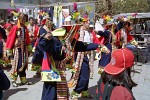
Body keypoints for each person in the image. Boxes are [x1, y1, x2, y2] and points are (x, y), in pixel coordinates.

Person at [6, 13, 32, 87]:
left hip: (24, 49)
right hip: (18, 49)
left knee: (24, 64)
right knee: (17, 64)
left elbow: (27, 38)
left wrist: (29, 48)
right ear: (19, 19)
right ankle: (13, 80)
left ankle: (23, 80)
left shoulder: (25, 27)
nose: (24, 20)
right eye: (23, 18)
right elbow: (11, 38)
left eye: (25, 19)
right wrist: (9, 50)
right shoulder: (15, 27)